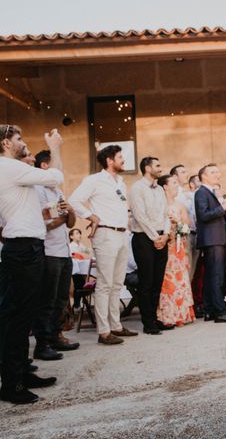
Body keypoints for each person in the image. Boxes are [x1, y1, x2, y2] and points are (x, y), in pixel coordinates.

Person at [0, 125, 63, 404]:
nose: (23, 143)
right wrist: (56, 148)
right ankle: (11, 384)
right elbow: (55, 177)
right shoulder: (7, 167)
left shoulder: (11, 169)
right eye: (19, 139)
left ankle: (22, 372)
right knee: (17, 318)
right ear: (5, 143)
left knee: (24, 315)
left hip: (27, 247)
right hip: (22, 249)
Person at [69, 145, 138, 345]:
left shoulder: (122, 183)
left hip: (122, 234)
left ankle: (116, 325)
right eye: (120, 157)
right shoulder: (94, 180)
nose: (123, 160)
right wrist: (91, 216)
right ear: (109, 160)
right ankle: (104, 331)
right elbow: (74, 200)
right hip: (105, 233)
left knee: (117, 283)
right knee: (105, 284)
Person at [32, 150, 80, 359]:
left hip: (64, 252)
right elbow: (46, 224)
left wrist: (69, 212)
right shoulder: (38, 190)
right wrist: (63, 215)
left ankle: (56, 336)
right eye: (56, 166)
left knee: (61, 299)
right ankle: (43, 344)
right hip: (49, 252)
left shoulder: (57, 190)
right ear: (45, 166)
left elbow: (70, 222)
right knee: (47, 301)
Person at [129, 156, 171, 335]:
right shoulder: (137, 188)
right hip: (143, 238)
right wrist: (155, 237)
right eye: (157, 165)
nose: (160, 168)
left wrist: (166, 235)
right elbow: (139, 215)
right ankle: (147, 322)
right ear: (147, 168)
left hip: (161, 237)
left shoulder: (160, 189)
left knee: (157, 281)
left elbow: (165, 213)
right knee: (146, 281)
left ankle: (154, 317)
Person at [195, 163, 226, 323]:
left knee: (211, 277)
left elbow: (213, 216)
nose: (218, 174)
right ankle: (220, 313)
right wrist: (223, 208)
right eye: (213, 172)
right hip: (212, 240)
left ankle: (210, 311)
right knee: (216, 276)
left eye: (218, 172)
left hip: (216, 238)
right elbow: (203, 215)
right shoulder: (201, 192)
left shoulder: (210, 192)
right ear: (204, 176)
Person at [156, 175, 195, 326]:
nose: (177, 185)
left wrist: (178, 224)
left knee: (181, 278)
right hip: (164, 245)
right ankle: (166, 314)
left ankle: (181, 313)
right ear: (165, 186)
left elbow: (187, 225)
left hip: (179, 246)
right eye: (173, 182)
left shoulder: (179, 205)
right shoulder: (159, 204)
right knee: (166, 279)